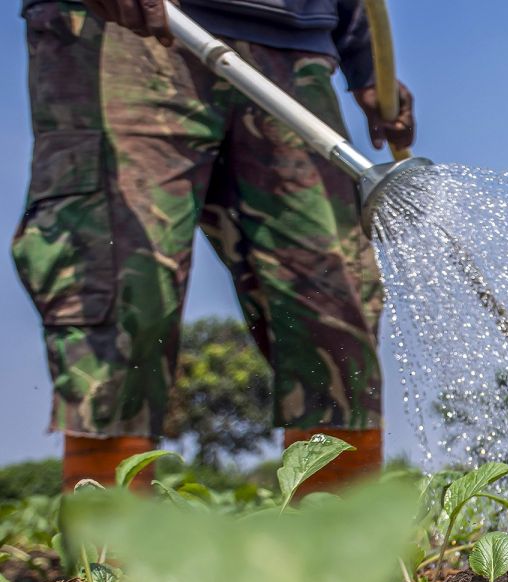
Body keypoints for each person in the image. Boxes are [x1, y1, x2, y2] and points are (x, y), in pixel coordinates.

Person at [14, 0, 414, 494]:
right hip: (123, 29)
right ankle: (107, 558)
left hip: (294, 44)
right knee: (124, 286)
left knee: (335, 303)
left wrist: (367, 60)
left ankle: (342, 544)